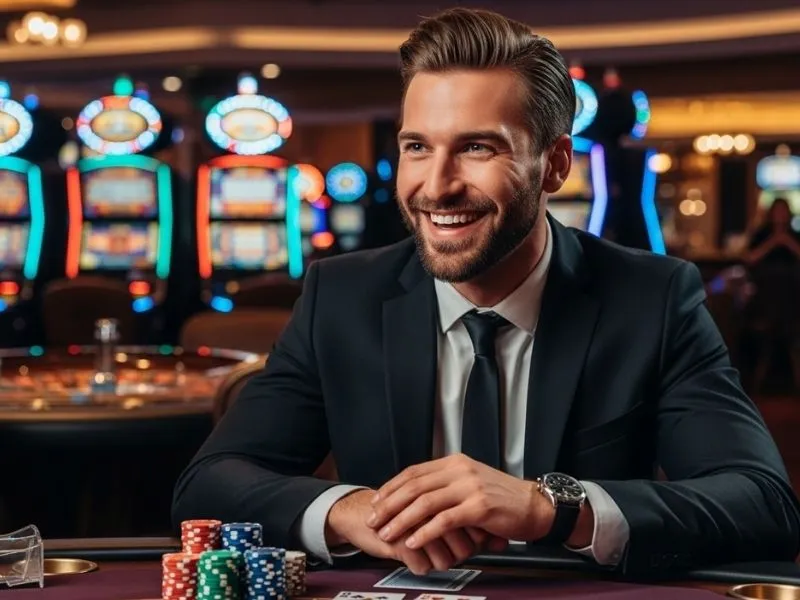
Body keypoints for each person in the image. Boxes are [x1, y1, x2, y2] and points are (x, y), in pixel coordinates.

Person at [172, 7, 800, 576]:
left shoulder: (653, 297)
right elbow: (210, 483)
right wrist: (353, 510)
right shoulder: (341, 296)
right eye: (417, 147)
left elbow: (763, 502)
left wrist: (549, 507)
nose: (437, 186)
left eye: (476, 147)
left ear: (554, 164)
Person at [745, 197, 800, 266]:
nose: (780, 215)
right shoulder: (761, 234)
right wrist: (773, 242)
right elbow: (751, 258)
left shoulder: (795, 235)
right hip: (765, 274)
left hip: (791, 274)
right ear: (771, 214)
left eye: (783, 211)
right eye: (778, 211)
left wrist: (788, 241)